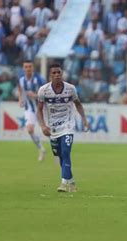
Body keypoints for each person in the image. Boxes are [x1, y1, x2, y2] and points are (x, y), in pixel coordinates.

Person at [37, 63, 89, 192]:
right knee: (60, 155)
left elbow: (78, 104)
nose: (57, 75)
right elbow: (39, 110)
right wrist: (43, 126)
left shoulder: (71, 88)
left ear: (62, 74)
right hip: (52, 128)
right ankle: (71, 181)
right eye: (54, 73)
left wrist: (84, 119)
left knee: (66, 152)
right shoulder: (43, 90)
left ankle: (64, 183)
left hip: (68, 125)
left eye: (59, 72)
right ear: (50, 75)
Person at [18, 60, 46, 161]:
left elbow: (46, 94)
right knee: (30, 130)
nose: (28, 69)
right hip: (29, 108)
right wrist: (20, 99)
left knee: (48, 131)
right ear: (23, 68)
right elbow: (20, 89)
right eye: (26, 67)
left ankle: (59, 152)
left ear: (33, 68)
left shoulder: (39, 79)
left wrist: (34, 95)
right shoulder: (21, 80)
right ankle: (41, 150)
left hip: (42, 108)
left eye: (30, 66)